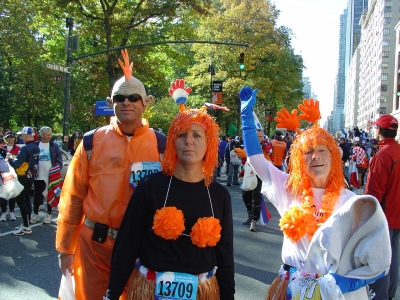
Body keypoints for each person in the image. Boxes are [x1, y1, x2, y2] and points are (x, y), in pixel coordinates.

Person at [239, 87, 390, 300]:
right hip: (291, 287)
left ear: (333, 158)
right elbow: (256, 160)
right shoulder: (288, 188)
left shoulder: (351, 202)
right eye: (307, 152)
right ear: (300, 161)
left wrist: (348, 282)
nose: (315, 157)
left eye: (321, 151)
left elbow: (379, 258)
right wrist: (246, 119)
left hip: (332, 291)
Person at [105, 79, 234, 300]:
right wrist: (111, 295)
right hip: (149, 291)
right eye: (182, 135)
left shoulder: (219, 196)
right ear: (173, 142)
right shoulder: (150, 187)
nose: (189, 142)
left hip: (203, 292)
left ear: (208, 143)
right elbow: (127, 245)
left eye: (197, 135)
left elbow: (225, 256)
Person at [56, 49, 166, 300]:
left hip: (142, 251)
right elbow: (72, 197)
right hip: (94, 249)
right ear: (110, 102)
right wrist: (65, 248)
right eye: (120, 97)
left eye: (134, 97)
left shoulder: (162, 146)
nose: (126, 102)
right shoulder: (90, 143)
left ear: (145, 102)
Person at [365, 115, 400, 300]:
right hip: (396, 215)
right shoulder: (396, 151)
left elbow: (374, 193)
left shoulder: (383, 155)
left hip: (384, 216)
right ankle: (389, 294)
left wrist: (365, 218)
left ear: (379, 130)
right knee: (393, 258)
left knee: (381, 260)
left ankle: (380, 296)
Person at [8, 127, 40, 235]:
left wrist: (9, 158)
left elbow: (16, 164)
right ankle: (27, 224)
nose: (21, 137)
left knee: (21, 200)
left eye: (22, 135)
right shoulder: (36, 146)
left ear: (27, 136)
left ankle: (26, 226)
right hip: (31, 175)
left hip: (23, 176)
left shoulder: (25, 148)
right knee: (26, 200)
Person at [31, 126, 62, 224]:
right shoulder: (36, 145)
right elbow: (31, 159)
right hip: (38, 175)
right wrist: (33, 166)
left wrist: (55, 169)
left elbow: (59, 160)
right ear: (42, 135)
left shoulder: (54, 146)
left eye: (50, 135)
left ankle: (49, 214)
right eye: (48, 135)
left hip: (50, 176)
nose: (50, 136)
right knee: (37, 195)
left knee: (50, 195)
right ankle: (35, 214)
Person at [0, 132, 21, 221]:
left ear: (14, 138)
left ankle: (12, 212)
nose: (10, 139)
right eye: (8, 137)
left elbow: (20, 160)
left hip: (14, 174)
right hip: (3, 174)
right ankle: (4, 213)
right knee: (3, 194)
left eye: (12, 137)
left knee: (12, 193)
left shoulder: (18, 148)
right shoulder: (2, 149)